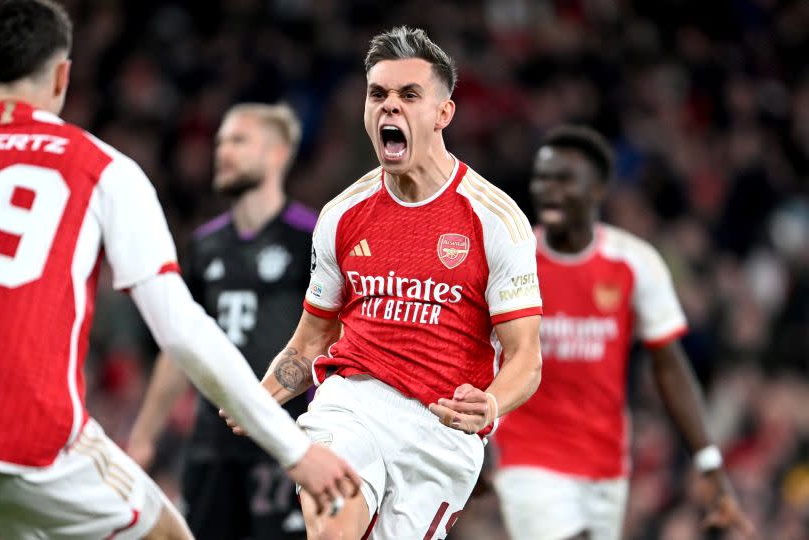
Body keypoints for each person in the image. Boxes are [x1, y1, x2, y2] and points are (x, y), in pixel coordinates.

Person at [0, 1, 358, 539]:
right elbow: (181, 330)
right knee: (166, 534)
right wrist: (295, 450)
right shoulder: (102, 167)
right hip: (25, 431)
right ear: (63, 76)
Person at [222, 26, 543, 539]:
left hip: (441, 430)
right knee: (335, 525)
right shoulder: (341, 215)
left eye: (409, 95)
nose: (389, 107)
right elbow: (312, 341)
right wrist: (259, 398)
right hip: (352, 404)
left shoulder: (495, 220)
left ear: (443, 113)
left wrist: (493, 403)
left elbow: (526, 357)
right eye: (378, 95)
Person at [491, 125, 754, 540]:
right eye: (542, 179)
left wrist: (708, 464)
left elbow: (670, 367)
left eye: (564, 179)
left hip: (605, 461)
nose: (549, 190)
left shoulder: (634, 262)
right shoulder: (511, 261)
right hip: (527, 454)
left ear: (596, 190)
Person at [127, 102, 317, 540]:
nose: (222, 151)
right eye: (220, 142)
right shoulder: (205, 245)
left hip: (286, 441)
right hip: (211, 446)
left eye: (238, 140)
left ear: (277, 153)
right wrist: (143, 438)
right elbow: (179, 347)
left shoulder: (311, 237)